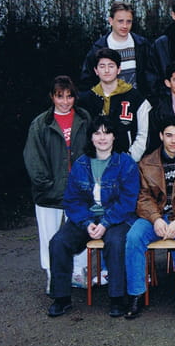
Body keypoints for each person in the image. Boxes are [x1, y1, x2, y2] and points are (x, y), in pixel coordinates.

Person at [47, 115, 140, 318]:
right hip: (86, 217)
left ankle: (117, 298)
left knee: (115, 242)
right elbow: (72, 200)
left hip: (116, 218)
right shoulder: (81, 164)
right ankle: (61, 298)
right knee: (58, 242)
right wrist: (87, 222)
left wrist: (105, 223)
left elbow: (128, 201)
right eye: (97, 133)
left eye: (107, 133)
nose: (102, 138)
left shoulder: (126, 163)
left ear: (114, 136)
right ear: (91, 137)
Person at [124, 115, 175, 325]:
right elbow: (143, 197)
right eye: (169, 135)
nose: (173, 140)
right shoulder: (146, 162)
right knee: (133, 237)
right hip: (153, 216)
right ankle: (136, 294)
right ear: (161, 136)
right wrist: (156, 219)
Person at [24, 75, 92, 293]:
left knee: (80, 231)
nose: (65, 101)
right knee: (49, 235)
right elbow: (33, 158)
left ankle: (79, 271)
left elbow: (93, 150)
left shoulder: (84, 118)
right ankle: (52, 275)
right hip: (49, 193)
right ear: (52, 97)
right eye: (60, 96)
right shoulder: (40, 123)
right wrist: (46, 184)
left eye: (69, 96)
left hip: (79, 191)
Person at [78, 47, 152, 162]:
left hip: (126, 162)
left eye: (111, 66)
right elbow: (82, 134)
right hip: (94, 162)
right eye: (102, 66)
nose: (107, 70)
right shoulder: (86, 100)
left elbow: (143, 134)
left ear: (119, 69)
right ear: (96, 70)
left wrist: (129, 158)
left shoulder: (136, 98)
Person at [80, 1, 153, 96]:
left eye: (128, 21)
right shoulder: (98, 48)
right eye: (120, 21)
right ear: (111, 21)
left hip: (138, 101)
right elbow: (87, 82)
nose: (125, 26)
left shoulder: (142, 45)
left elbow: (151, 78)